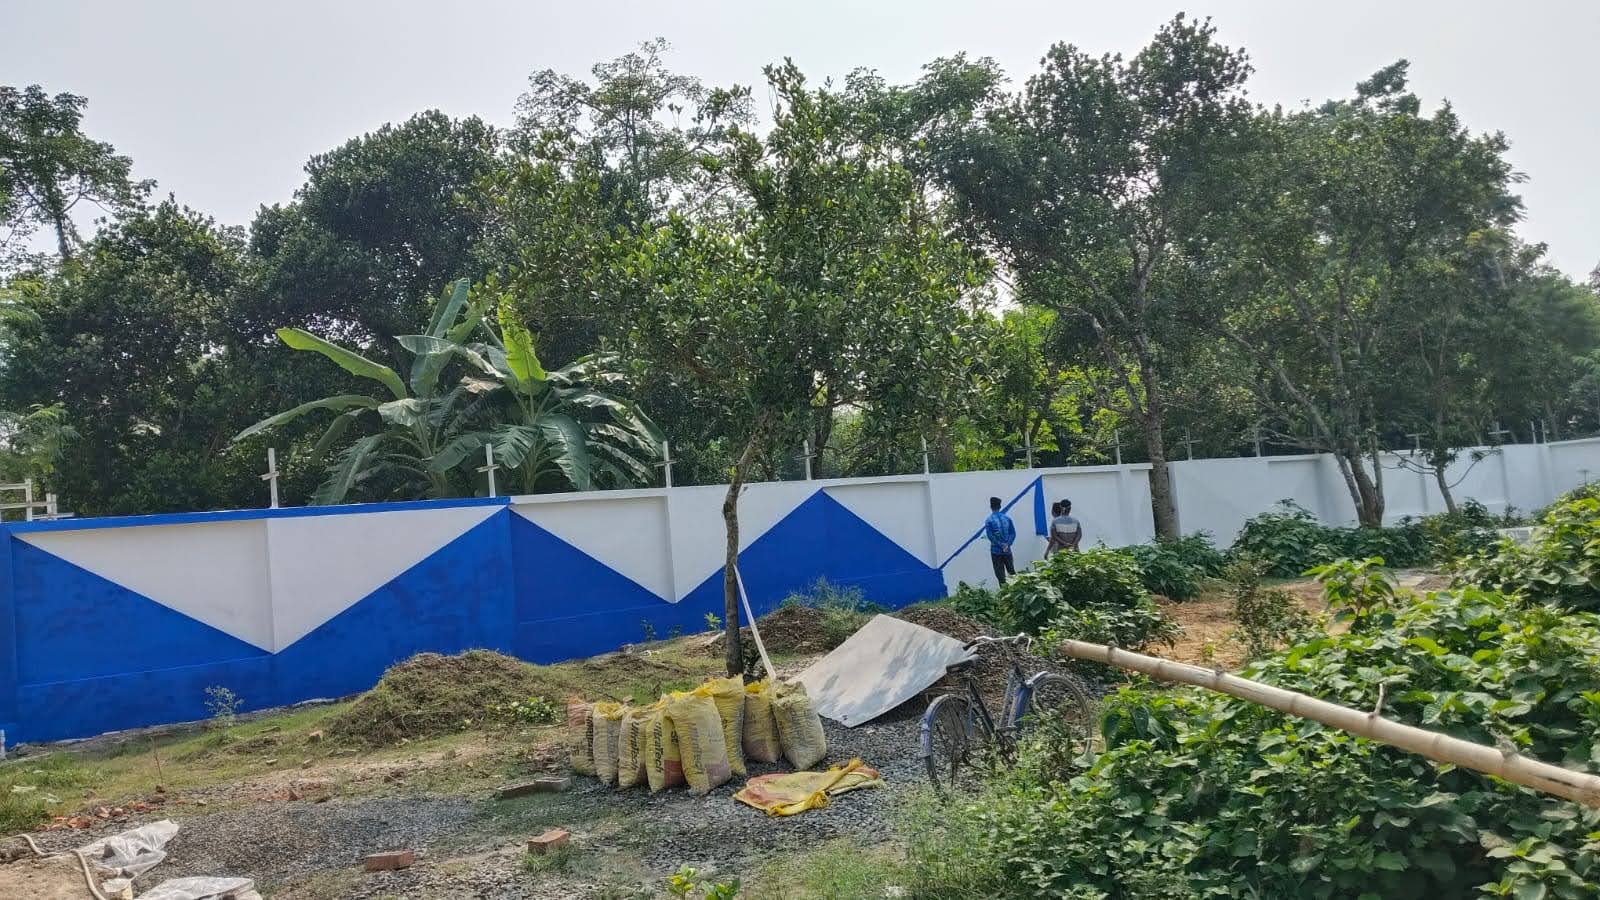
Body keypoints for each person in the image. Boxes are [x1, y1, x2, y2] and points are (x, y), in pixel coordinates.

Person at [983, 496, 1017, 584]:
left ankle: (1004, 591)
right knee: (1012, 572)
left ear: (991, 507)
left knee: (1000, 575)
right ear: (1000, 506)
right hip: (1007, 550)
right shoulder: (1007, 518)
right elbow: (1013, 533)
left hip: (996, 551)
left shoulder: (989, 520)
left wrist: (1000, 545)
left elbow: (990, 536)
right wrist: (1007, 544)